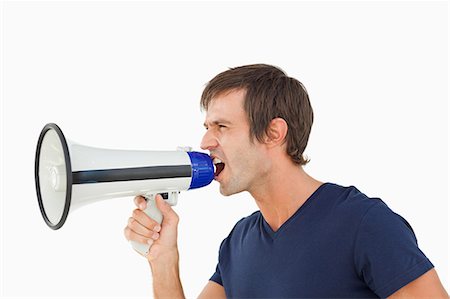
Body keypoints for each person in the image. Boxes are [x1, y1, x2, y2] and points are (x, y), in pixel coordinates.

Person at [124, 64, 448, 298]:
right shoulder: (238, 242)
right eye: (207, 126)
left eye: (221, 126)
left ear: (273, 133)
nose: (206, 142)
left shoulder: (364, 223)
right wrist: (162, 259)